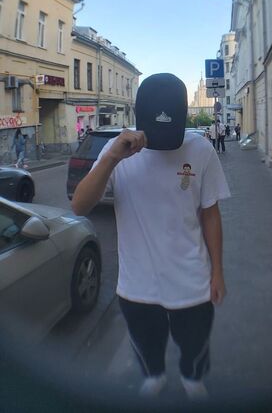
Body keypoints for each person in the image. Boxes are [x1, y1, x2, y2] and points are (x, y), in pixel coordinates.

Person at [71, 73, 231, 401]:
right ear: (140, 117)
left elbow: (210, 213)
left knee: (195, 345)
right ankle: (154, 376)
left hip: (192, 282)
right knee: (146, 345)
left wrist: (218, 271)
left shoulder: (200, 149)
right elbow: (79, 205)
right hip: (137, 286)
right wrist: (112, 158)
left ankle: (192, 378)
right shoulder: (117, 152)